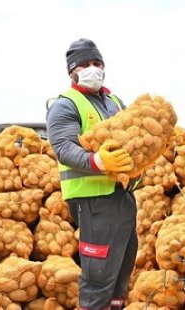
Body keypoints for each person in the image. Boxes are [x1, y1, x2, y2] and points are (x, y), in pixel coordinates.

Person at [46, 38, 137, 310]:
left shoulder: (114, 101)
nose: (92, 69)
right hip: (92, 200)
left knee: (122, 269)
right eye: (85, 64)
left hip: (121, 197)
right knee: (98, 277)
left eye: (97, 63)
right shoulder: (64, 104)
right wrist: (97, 161)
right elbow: (63, 148)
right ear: (71, 71)